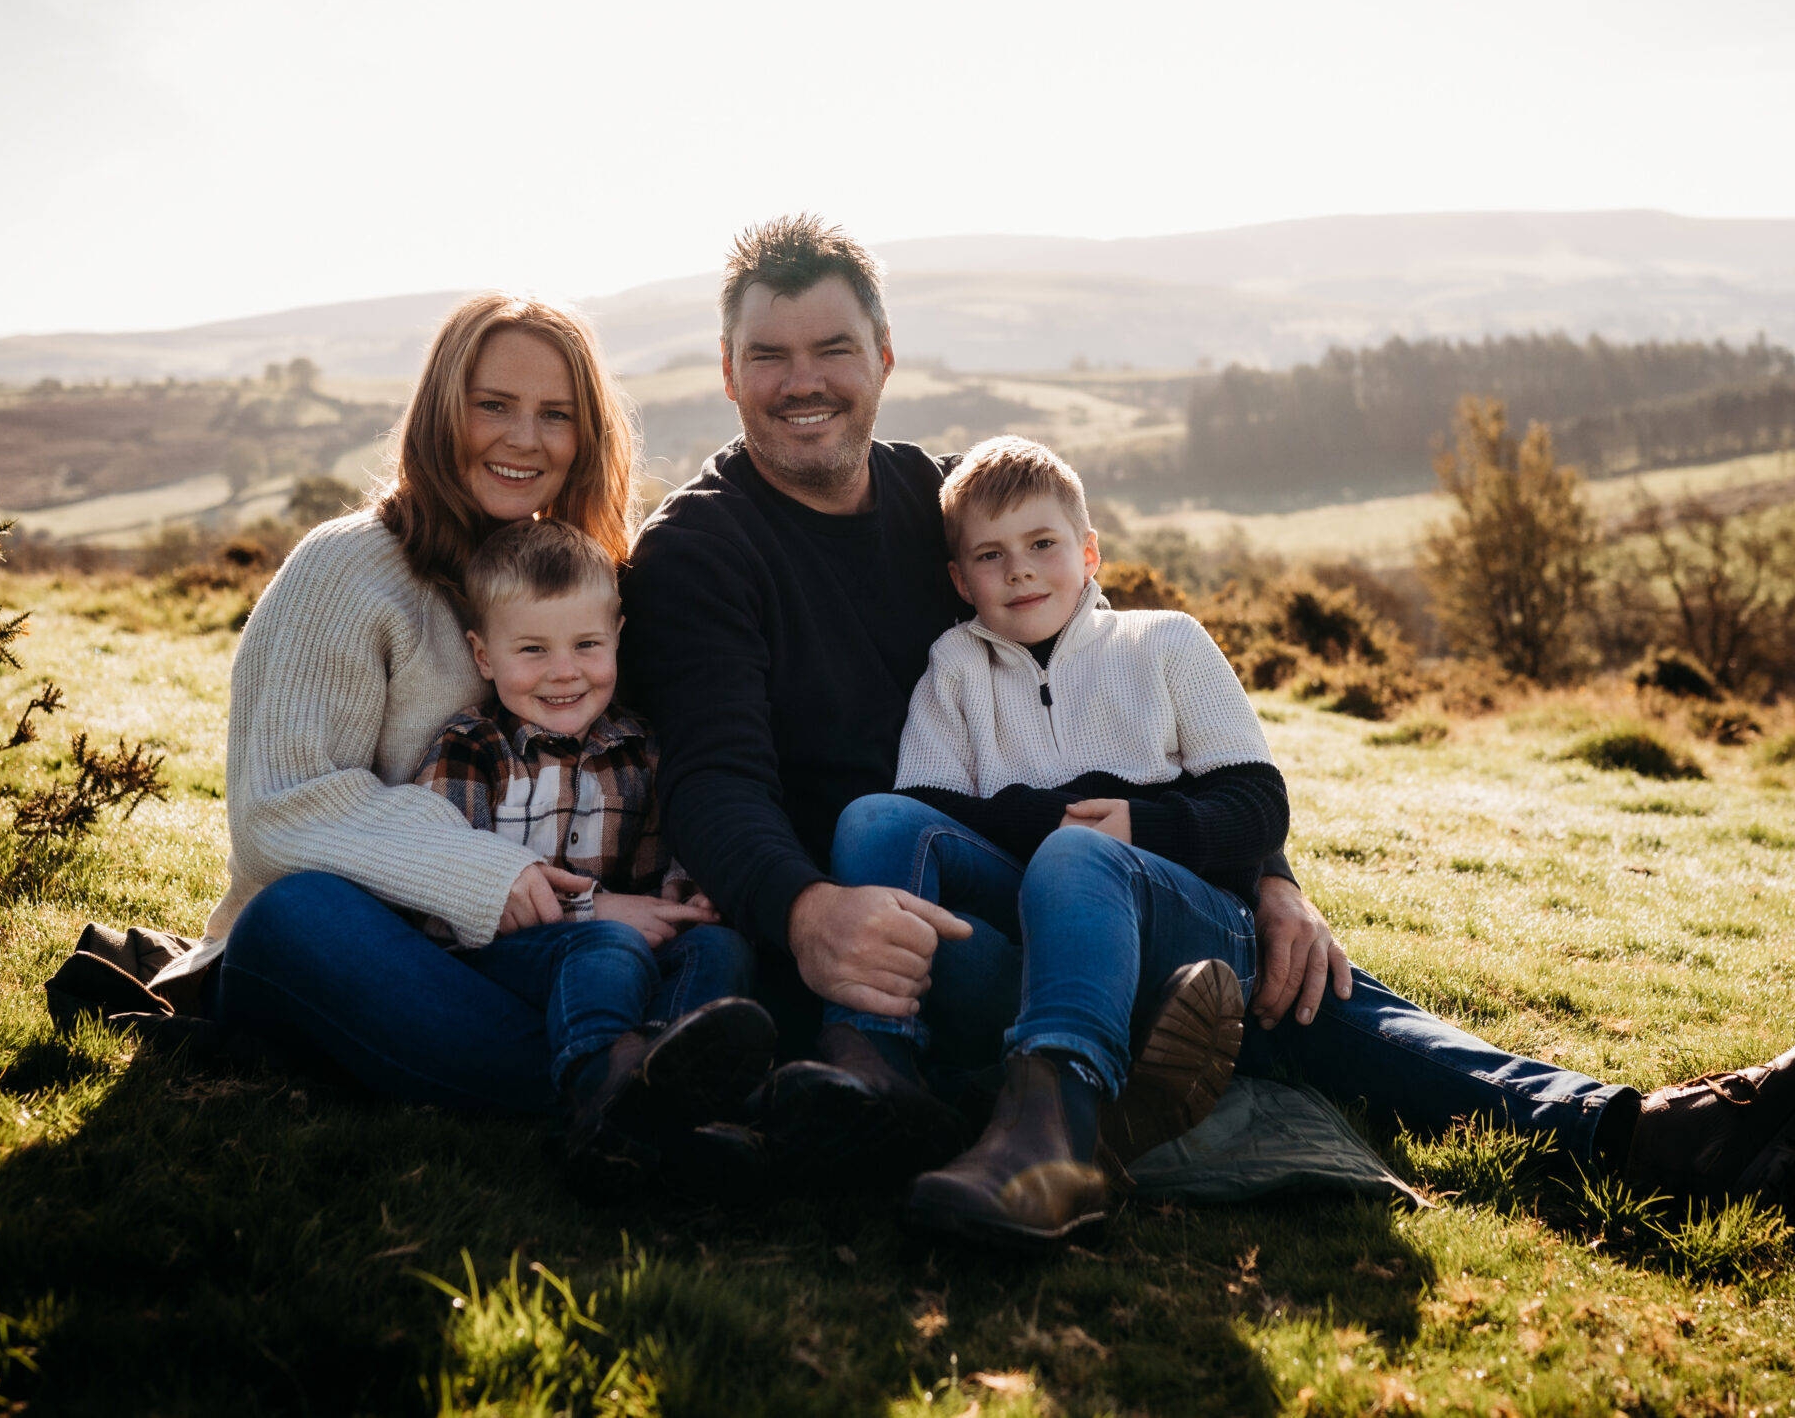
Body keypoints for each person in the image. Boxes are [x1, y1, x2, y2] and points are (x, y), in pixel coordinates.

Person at [621, 212, 1795, 1201]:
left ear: (882, 357)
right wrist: (806, 913)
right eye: (769, 355)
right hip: (886, 943)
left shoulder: (937, 506)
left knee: (1292, 977)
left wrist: (1269, 873)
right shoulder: (702, 551)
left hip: (1044, 885)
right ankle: (1629, 1133)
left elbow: (1141, 692)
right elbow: (717, 779)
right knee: (1221, 976)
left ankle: (1628, 1129)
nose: (805, 381)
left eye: (833, 347)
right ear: (727, 374)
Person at [196, 293, 749, 1131]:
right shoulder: (345, 570)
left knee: (707, 944)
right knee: (295, 914)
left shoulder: (574, 584)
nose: (524, 437)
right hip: (371, 949)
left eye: (555, 414)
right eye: (493, 404)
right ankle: (626, 1093)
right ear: (440, 411)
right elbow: (278, 810)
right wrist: (495, 878)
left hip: (535, 952)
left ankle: (640, 1085)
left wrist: (680, 881)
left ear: (586, 435)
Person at [837, 435, 1268, 1244]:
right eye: (991, 556)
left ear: (1089, 551)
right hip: (1043, 928)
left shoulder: (1164, 641)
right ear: (961, 581)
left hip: (1193, 934)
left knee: (1076, 853)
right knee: (873, 819)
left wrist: (1140, 822)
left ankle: (1056, 1136)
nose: (1020, 571)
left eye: (1043, 545)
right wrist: (1050, 813)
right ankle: (876, 1065)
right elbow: (928, 805)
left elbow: (1256, 804)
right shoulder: (957, 665)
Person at [413, 515, 773, 1191]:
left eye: (586, 644)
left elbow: (663, 855)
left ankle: (683, 1094)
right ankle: (600, 1090)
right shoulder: (471, 748)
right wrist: (593, 911)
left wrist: (684, 894)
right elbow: (444, 895)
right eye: (532, 650)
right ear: (484, 655)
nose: (564, 671)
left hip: (620, 945)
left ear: (618, 639)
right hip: (500, 958)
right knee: (607, 944)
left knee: (717, 949)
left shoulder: (638, 746)